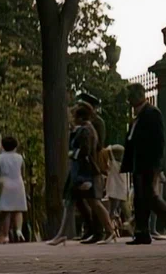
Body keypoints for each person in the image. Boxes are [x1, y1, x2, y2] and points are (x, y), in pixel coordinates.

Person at [121, 83, 166, 244]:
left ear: (140, 95)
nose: (129, 99)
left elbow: (159, 140)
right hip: (138, 163)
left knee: (148, 196)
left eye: (131, 95)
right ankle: (142, 232)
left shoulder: (152, 113)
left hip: (148, 163)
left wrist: (157, 163)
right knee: (141, 198)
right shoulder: (138, 115)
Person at [49, 105, 106, 245]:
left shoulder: (86, 130)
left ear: (80, 117)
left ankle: (63, 234)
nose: (73, 119)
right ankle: (65, 233)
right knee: (79, 202)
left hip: (82, 172)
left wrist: (71, 154)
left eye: (74, 116)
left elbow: (84, 151)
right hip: (80, 171)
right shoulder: (85, 129)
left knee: (89, 203)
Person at [75, 90, 116, 240]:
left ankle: (99, 230)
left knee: (93, 199)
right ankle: (93, 229)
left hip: (92, 162)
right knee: (84, 199)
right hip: (86, 163)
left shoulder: (95, 123)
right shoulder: (86, 124)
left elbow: (97, 145)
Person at [0, 135, 28, 242]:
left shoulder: (0, 158)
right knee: (18, 209)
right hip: (18, 183)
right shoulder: (20, 157)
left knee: (6, 211)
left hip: (4, 184)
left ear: (3, 146)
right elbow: (23, 171)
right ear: (15, 146)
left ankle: (6, 235)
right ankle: (19, 231)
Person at [104, 143, 129, 234]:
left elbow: (108, 149)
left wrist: (110, 150)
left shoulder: (113, 164)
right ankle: (130, 228)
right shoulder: (124, 166)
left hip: (113, 190)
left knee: (111, 211)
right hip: (121, 191)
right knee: (126, 212)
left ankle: (109, 230)